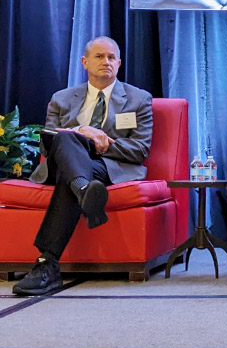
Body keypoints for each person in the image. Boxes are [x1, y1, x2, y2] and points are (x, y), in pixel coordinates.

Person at [13, 36, 153, 296]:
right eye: (99, 57)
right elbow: (47, 147)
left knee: (72, 171)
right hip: (61, 162)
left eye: (111, 57)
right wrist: (80, 132)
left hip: (107, 166)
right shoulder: (62, 98)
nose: (106, 62)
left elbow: (140, 150)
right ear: (85, 62)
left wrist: (101, 143)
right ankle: (85, 189)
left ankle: (47, 264)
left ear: (119, 63)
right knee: (66, 138)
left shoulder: (138, 99)